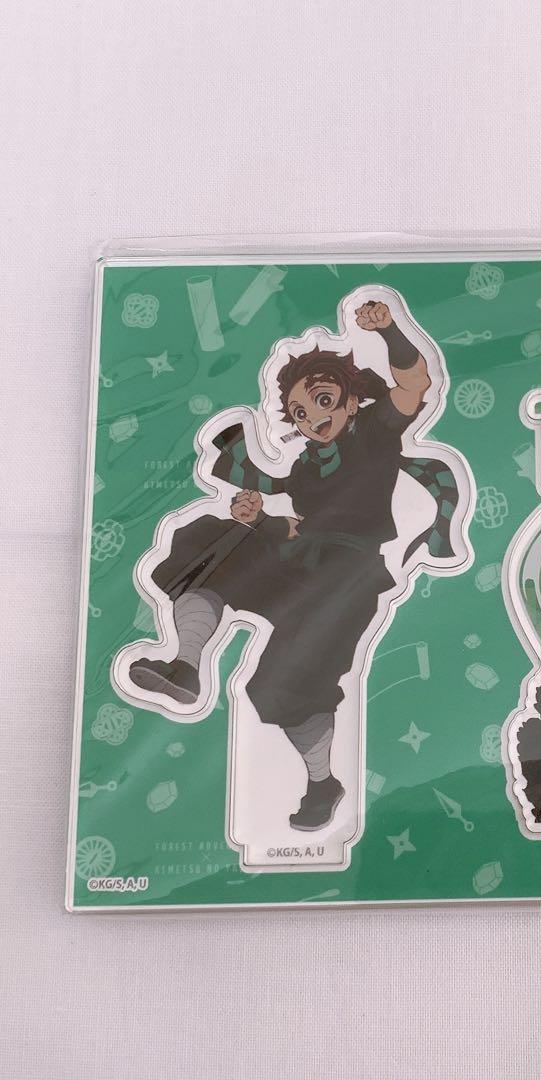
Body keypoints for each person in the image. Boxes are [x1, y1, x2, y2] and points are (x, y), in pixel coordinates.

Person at [128, 301, 459, 830]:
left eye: (323, 401)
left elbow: (413, 383)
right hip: (300, 561)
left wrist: (390, 329)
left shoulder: (374, 432)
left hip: (347, 578)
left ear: (350, 400)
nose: (313, 419)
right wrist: (257, 516)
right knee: (211, 540)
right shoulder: (306, 464)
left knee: (284, 682)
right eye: (301, 413)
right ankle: (185, 665)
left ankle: (322, 783)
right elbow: (298, 525)